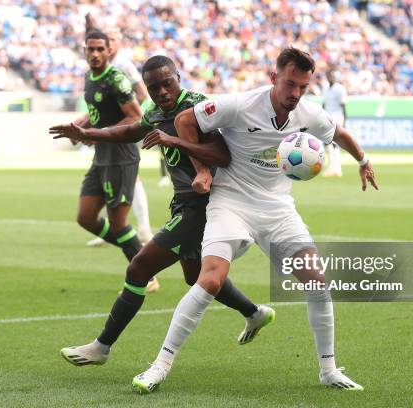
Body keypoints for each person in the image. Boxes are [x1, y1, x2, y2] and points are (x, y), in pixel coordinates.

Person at [132, 47, 378, 393]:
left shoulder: (309, 114)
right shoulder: (239, 104)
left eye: (302, 87)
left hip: (277, 209)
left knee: (318, 281)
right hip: (230, 202)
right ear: (274, 77)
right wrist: (203, 170)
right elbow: (186, 120)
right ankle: (158, 366)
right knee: (211, 280)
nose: (295, 94)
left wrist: (363, 159)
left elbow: (338, 133)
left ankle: (329, 369)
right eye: (290, 84)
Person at [49, 55, 274, 367]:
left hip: (205, 206)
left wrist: (184, 151)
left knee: (138, 269)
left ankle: (101, 346)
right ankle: (254, 312)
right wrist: (87, 134)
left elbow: (221, 154)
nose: (162, 92)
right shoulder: (155, 112)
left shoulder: (197, 109)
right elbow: (129, 131)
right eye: (154, 88)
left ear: (178, 78)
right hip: (184, 203)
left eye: (167, 83)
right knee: (195, 276)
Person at [61, 29, 145, 272]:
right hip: (102, 156)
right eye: (91, 49)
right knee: (85, 217)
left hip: (121, 157)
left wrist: (94, 134)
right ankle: (138, 255)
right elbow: (96, 112)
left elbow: (135, 117)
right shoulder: (90, 77)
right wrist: (78, 126)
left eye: (100, 49)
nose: (95, 54)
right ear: (84, 51)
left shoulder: (116, 79)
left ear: (109, 51)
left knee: (119, 225)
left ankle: (144, 273)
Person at [84, 14, 154, 250]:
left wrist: (123, 126)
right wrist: (83, 126)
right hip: (104, 141)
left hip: (122, 137)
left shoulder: (121, 66)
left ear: (116, 44)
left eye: (112, 40)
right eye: (107, 39)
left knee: (133, 181)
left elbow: (141, 96)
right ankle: (120, 232)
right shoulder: (97, 69)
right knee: (94, 211)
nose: (109, 45)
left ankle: (143, 229)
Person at [322, 70, 347, 177]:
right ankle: (332, 166)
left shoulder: (340, 88)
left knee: (334, 143)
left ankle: (337, 168)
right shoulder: (326, 88)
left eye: (332, 76)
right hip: (328, 117)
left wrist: (344, 121)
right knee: (327, 142)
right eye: (329, 76)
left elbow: (343, 105)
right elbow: (324, 104)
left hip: (337, 118)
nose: (331, 78)